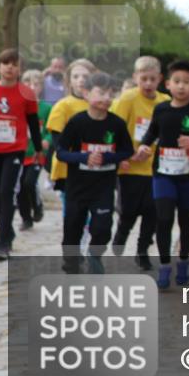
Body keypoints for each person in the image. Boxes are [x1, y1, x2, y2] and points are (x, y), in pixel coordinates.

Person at [135, 60, 189, 290]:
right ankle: (164, 266)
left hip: (188, 177)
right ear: (167, 84)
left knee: (186, 221)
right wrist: (144, 146)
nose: (181, 87)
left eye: (186, 82)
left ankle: (183, 261)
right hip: (162, 174)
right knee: (164, 218)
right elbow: (152, 132)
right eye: (177, 82)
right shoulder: (161, 109)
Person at [55, 72, 133, 274]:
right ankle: (71, 262)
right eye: (101, 93)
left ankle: (95, 255)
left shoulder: (117, 124)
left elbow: (127, 151)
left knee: (102, 227)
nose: (107, 98)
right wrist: (83, 157)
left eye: (111, 93)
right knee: (72, 227)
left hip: (103, 187)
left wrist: (107, 158)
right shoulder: (76, 122)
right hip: (77, 188)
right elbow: (61, 152)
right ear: (86, 94)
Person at [110, 56, 169, 270]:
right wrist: (124, 155)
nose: (148, 84)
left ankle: (142, 250)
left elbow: (169, 131)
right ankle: (121, 234)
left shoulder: (164, 102)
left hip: (156, 168)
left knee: (152, 212)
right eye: (143, 79)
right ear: (135, 77)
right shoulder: (127, 99)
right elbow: (115, 129)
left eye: (152, 79)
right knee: (128, 210)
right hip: (130, 166)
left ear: (160, 79)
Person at [0, 49, 44, 260]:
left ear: (20, 69)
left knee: (6, 192)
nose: (10, 67)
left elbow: (33, 123)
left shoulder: (26, 93)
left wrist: (38, 149)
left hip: (14, 150)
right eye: (6, 63)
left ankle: (2, 243)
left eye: (14, 64)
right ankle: (7, 231)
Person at [46, 58, 96, 214]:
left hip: (95, 166)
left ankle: (86, 236)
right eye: (76, 76)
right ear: (69, 80)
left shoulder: (101, 105)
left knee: (93, 211)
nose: (81, 80)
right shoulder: (62, 106)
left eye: (85, 76)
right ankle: (75, 237)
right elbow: (58, 143)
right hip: (68, 168)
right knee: (73, 212)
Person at [16, 69, 50, 230]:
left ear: (41, 87)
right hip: (19, 152)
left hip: (37, 154)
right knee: (19, 187)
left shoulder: (45, 108)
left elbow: (52, 130)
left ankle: (37, 206)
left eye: (36, 84)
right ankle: (26, 218)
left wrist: (46, 140)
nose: (31, 87)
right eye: (27, 83)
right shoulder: (18, 106)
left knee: (29, 183)